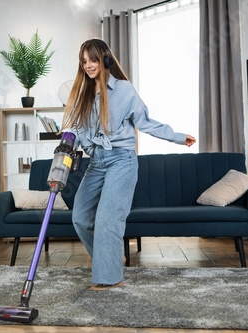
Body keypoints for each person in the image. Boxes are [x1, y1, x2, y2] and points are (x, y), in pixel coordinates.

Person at [61, 38, 196, 290]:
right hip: (96, 163)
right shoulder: (83, 93)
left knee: (108, 220)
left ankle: (110, 280)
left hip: (121, 160)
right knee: (80, 217)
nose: (88, 65)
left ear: (106, 60)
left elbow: (145, 122)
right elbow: (76, 129)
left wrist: (177, 137)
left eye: (92, 59)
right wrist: (66, 143)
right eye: (84, 61)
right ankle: (110, 259)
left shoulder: (124, 90)